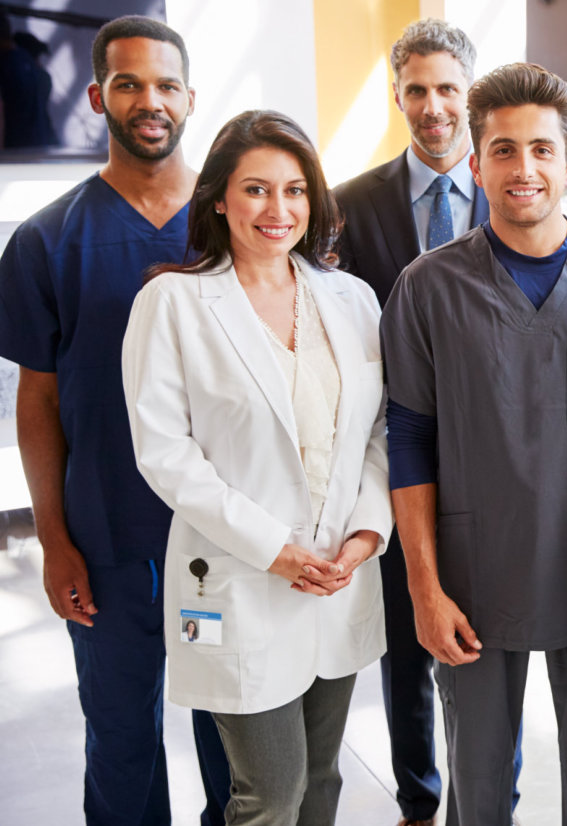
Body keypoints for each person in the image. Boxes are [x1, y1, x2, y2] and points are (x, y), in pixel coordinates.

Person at [380, 62, 567, 825]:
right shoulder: (427, 288)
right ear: (475, 164)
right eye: (505, 151)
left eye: (542, 150)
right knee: (477, 786)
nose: (525, 169)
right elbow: (409, 443)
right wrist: (423, 587)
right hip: (472, 576)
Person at [122, 109, 392, 825]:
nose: (279, 210)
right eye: (256, 190)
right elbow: (164, 454)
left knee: (324, 781)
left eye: (296, 190)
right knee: (269, 794)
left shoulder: (352, 299)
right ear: (218, 197)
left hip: (337, 574)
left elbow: (379, 432)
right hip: (239, 579)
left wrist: (365, 536)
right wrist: (274, 550)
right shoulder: (173, 303)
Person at [0, 16, 230, 825]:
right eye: (128, 83)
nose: (149, 101)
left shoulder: (236, 223)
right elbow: (38, 399)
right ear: (99, 96)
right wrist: (55, 540)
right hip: (106, 539)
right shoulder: (46, 241)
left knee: (234, 746)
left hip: (226, 534)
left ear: (190, 99)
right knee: (121, 742)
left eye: (165, 85)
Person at [331, 20, 498, 826]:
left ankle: (485, 793)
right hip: (398, 449)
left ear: (470, 92)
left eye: (447, 90)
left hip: (496, 453)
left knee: (491, 640)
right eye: (416, 92)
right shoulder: (348, 207)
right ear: (398, 97)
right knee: (408, 635)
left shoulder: (510, 192)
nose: (433, 109)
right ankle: (419, 800)